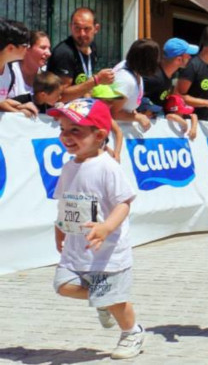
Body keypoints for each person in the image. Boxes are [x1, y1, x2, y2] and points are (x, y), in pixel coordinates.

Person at [47, 98, 143, 359]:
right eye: (63, 129)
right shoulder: (68, 167)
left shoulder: (108, 167)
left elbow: (124, 203)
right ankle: (103, 300)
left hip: (108, 252)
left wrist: (106, 227)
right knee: (63, 285)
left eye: (75, 130)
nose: (66, 136)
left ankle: (132, 332)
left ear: (99, 134)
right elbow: (65, 203)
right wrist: (60, 228)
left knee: (115, 299)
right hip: (78, 248)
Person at [47, 8, 115, 102]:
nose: (82, 34)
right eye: (77, 28)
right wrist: (96, 80)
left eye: (87, 29)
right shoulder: (64, 53)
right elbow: (60, 96)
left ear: (96, 28)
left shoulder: (92, 47)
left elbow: (82, 84)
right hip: (60, 113)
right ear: (71, 27)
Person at [176, 25, 208, 121]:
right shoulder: (192, 65)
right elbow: (179, 96)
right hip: (188, 123)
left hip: (205, 123)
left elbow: (204, 93)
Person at [110, 39, 160, 132]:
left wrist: (135, 113)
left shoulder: (133, 71)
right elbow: (113, 112)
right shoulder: (126, 80)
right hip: (113, 132)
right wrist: (138, 117)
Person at [142, 37, 198, 112]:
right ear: (179, 59)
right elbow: (130, 98)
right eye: (187, 54)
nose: (190, 57)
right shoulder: (153, 77)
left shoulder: (172, 75)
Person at [7, 30, 50, 98]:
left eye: (49, 48)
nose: (49, 53)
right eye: (43, 48)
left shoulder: (46, 75)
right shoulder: (9, 72)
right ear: (27, 49)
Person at [90, 84, 124, 162]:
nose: (111, 105)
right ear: (96, 100)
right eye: (108, 101)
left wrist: (117, 153)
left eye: (112, 101)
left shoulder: (106, 115)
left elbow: (119, 132)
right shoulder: (85, 113)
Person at [0, 19, 30, 103]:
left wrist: (19, 107)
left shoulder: (10, 70)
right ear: (10, 48)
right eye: (25, 45)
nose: (28, 48)